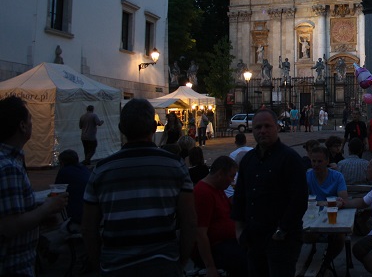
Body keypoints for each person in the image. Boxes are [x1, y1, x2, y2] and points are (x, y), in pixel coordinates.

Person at [82, 98, 196, 275]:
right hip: (163, 263)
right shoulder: (175, 166)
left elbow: (89, 227)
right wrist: (179, 262)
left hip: (115, 265)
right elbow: (189, 221)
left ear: (121, 129)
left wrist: (99, 265)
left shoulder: (101, 170)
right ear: (154, 128)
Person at [232, 109, 307, 277]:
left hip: (281, 239)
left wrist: (282, 230)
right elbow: (240, 196)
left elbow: (299, 200)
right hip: (253, 237)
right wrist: (239, 230)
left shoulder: (290, 159)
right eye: (258, 127)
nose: (262, 131)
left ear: (277, 128)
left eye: (267, 126)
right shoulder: (248, 160)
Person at [0, 96, 69, 276]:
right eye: (30, 119)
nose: (32, 123)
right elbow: (10, 226)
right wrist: (47, 208)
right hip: (14, 265)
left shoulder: (10, 162)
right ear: (22, 126)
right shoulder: (9, 168)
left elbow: (12, 213)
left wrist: (40, 218)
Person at [194, 155, 248, 277]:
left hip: (228, 242)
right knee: (247, 261)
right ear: (220, 174)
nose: (232, 181)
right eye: (231, 176)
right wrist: (210, 267)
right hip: (217, 247)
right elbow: (200, 233)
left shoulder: (217, 188)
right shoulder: (203, 192)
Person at [305, 146, 348, 266]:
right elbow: (301, 198)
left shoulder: (337, 176)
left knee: (339, 238)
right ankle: (314, 263)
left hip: (332, 218)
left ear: (327, 161)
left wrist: (339, 202)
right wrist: (323, 203)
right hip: (312, 217)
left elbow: (344, 199)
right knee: (306, 235)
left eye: (319, 161)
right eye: (313, 161)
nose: (316, 164)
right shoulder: (307, 176)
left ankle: (325, 264)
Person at [55, 149, 90, 225]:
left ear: (62, 162)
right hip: (91, 210)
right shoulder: (85, 169)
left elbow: (56, 191)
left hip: (77, 213)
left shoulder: (64, 172)